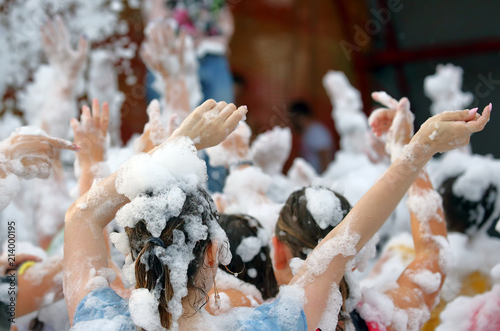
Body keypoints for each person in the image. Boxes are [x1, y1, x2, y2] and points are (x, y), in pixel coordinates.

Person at [64, 98, 490, 330]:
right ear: (214, 253)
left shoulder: (99, 321)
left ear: (132, 249)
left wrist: (172, 149)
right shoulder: (269, 324)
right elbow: (337, 251)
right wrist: (416, 151)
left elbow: (81, 217)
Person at [289, 101, 334, 174]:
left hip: (319, 178)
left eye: (292, 119)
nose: (291, 123)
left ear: (299, 117)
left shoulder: (316, 131)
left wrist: (324, 179)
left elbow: (324, 156)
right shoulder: (308, 132)